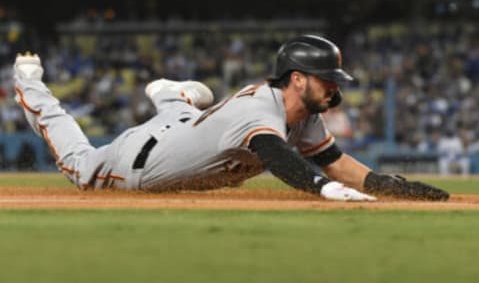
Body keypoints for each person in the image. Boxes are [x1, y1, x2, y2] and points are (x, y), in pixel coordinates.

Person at [12, 35, 449, 201]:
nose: (336, 86)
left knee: (188, 117)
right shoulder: (261, 109)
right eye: (327, 79)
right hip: (135, 163)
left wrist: (386, 185)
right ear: (298, 79)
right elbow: (278, 157)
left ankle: (173, 95)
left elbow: (334, 160)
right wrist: (322, 188)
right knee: (78, 162)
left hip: (183, 129)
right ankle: (29, 81)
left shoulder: (304, 113)